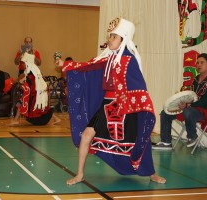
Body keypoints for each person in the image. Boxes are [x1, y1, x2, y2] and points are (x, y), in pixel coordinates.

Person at [56, 18, 166, 185]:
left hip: (125, 107)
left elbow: (138, 85)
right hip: (107, 106)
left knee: (140, 140)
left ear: (123, 39)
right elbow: (87, 66)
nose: (110, 39)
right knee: (86, 136)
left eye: (114, 37)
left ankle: (151, 173)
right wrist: (66, 64)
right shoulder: (108, 58)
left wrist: (143, 107)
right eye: (110, 36)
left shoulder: (129, 60)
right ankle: (79, 174)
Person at [152, 53, 207, 150]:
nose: (199, 65)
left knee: (187, 111)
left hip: (205, 112)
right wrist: (181, 98)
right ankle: (166, 142)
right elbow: (192, 95)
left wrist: (189, 104)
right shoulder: (196, 79)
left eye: (202, 62)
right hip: (190, 108)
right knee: (165, 113)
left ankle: (192, 137)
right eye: (197, 63)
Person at [9, 54, 60, 126]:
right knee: (42, 108)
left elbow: (28, 85)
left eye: (23, 63)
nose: (22, 65)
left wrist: (21, 85)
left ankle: (16, 120)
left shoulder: (31, 73)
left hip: (35, 95)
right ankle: (56, 118)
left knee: (21, 102)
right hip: (38, 94)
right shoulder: (34, 71)